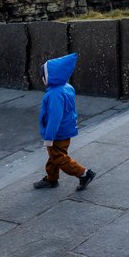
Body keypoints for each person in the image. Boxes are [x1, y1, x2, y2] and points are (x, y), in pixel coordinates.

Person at [34, 52, 96, 191]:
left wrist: (49, 137)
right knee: (54, 156)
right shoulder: (67, 87)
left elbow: (55, 118)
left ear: (51, 76)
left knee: (58, 158)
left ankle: (84, 173)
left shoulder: (54, 94)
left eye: (43, 76)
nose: (42, 79)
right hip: (66, 129)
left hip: (57, 133)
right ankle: (51, 178)